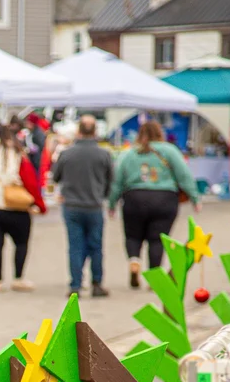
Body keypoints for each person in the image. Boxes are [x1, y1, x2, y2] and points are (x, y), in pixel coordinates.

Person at [109, 120, 200, 286]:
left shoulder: (129, 153)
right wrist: (195, 198)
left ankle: (134, 261)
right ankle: (154, 277)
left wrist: (112, 203)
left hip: (134, 198)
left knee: (133, 236)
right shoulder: (170, 151)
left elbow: (117, 180)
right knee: (157, 239)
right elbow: (184, 175)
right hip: (164, 199)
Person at [0, 125, 44, 292]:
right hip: (12, 206)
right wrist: (37, 204)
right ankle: (18, 278)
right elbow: (28, 180)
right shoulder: (15, 154)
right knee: (21, 243)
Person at [51, 115, 113, 299]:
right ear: (95, 131)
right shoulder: (104, 154)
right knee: (96, 246)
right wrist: (103, 196)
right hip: (94, 205)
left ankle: (75, 285)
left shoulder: (66, 154)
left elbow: (55, 177)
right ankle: (97, 284)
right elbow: (111, 180)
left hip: (72, 205)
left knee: (75, 246)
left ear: (78, 130)